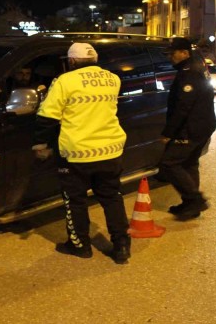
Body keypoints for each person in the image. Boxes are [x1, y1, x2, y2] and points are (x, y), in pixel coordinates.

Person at [32, 42, 131, 264]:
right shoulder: (112, 79)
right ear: (94, 59)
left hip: (77, 153)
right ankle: (122, 245)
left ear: (72, 61)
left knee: (75, 200)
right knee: (112, 198)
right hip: (110, 150)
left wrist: (41, 144)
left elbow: (47, 116)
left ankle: (80, 246)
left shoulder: (65, 81)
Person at [159, 37, 216, 221]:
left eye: (172, 54)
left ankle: (195, 200)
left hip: (192, 126)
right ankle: (191, 205)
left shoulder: (189, 72)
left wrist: (169, 133)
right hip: (204, 124)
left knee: (169, 163)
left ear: (184, 53)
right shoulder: (197, 64)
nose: (170, 58)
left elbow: (183, 106)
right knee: (190, 163)